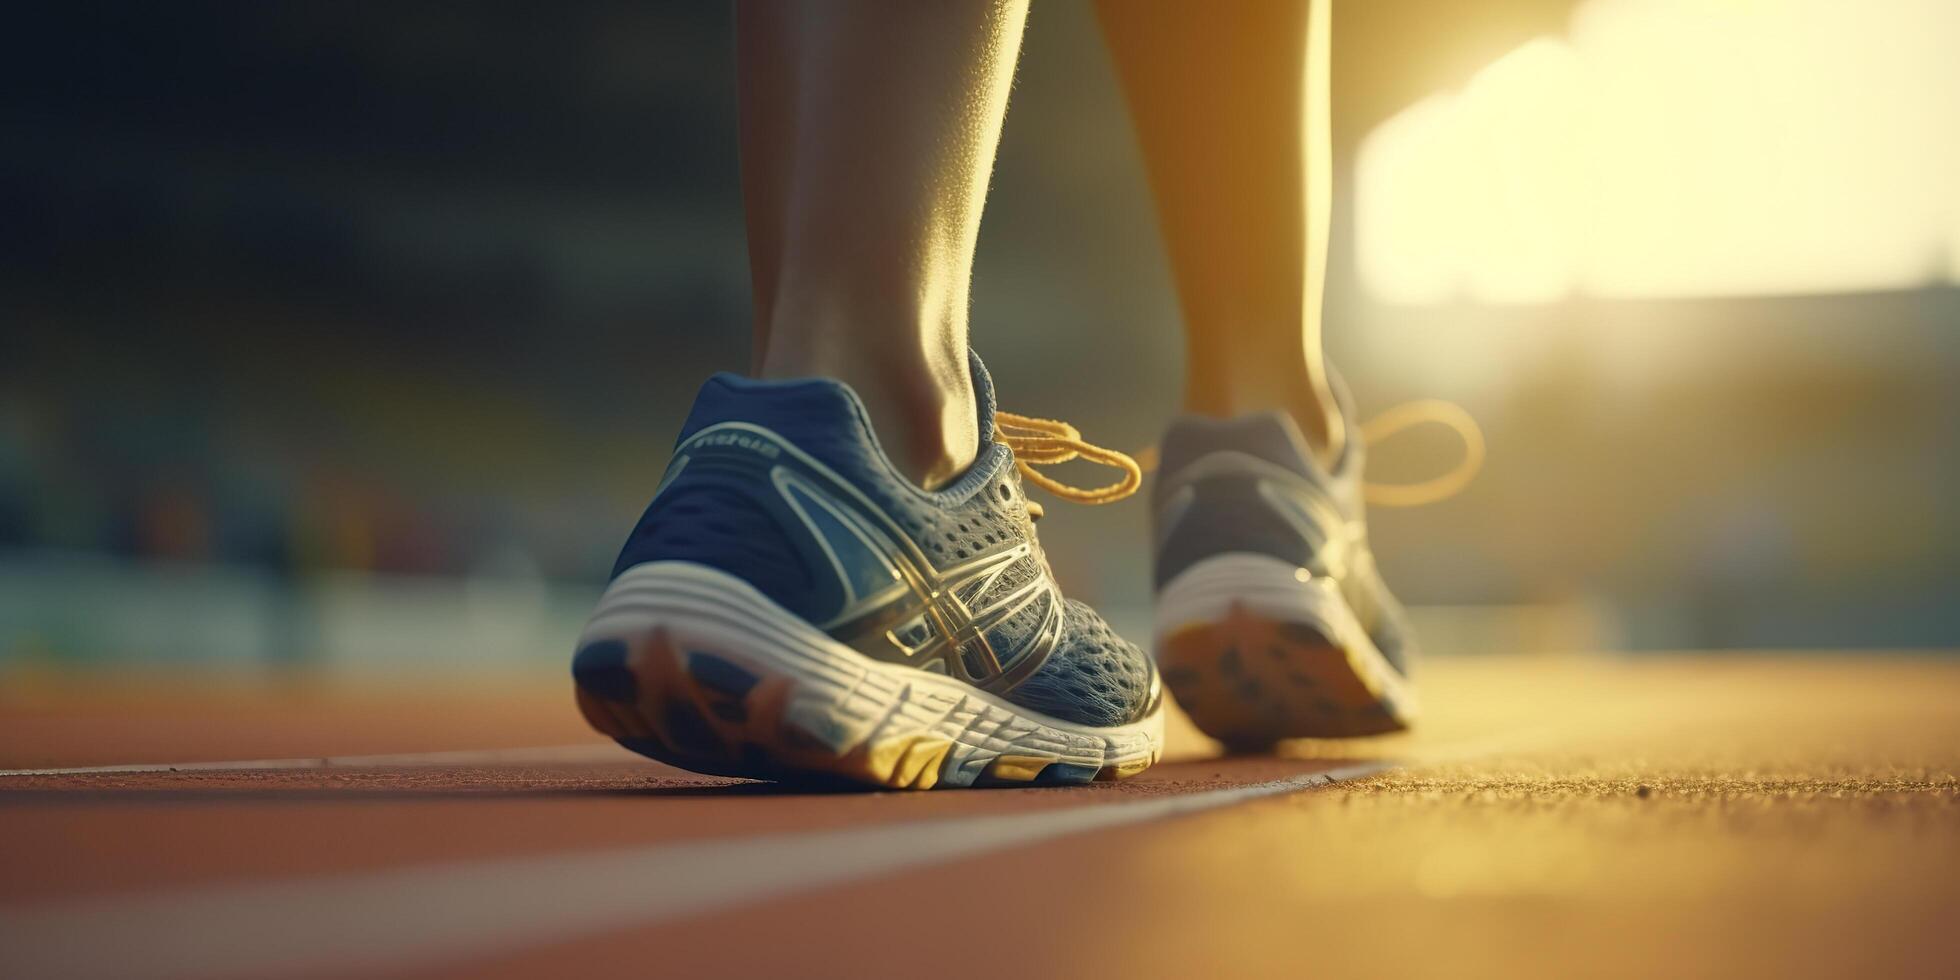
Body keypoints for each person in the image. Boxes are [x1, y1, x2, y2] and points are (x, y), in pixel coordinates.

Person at [571, 0, 1437, 787]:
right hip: (868, 515)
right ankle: (921, 428)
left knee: (807, 379)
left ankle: (782, 447)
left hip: (734, 486)